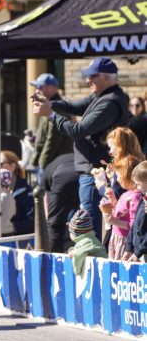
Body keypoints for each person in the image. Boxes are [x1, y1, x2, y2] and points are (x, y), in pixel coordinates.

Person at [33, 57, 130, 240]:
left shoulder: (109, 102)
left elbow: (78, 130)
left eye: (92, 76)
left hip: (96, 171)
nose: (88, 81)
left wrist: (51, 115)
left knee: (90, 223)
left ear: (107, 78)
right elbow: (74, 106)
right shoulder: (102, 96)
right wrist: (51, 103)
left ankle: (93, 260)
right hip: (92, 169)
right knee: (88, 219)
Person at [99, 127, 143, 260]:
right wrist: (111, 196)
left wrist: (101, 186)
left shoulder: (133, 188)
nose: (110, 152)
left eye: (113, 147)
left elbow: (133, 222)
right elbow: (121, 204)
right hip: (117, 234)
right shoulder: (124, 167)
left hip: (125, 238)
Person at [30, 73, 73, 173]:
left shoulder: (57, 108)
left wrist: (42, 164)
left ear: (51, 88)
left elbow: (53, 140)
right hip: (51, 163)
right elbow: (45, 137)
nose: (36, 90)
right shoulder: (49, 105)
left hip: (54, 165)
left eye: (39, 87)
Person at [42, 153, 79, 254]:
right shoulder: (68, 157)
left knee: (55, 225)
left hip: (61, 177)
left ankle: (54, 256)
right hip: (84, 172)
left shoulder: (46, 171)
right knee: (88, 220)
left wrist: (49, 220)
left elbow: (46, 197)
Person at [1, 151, 35, 237]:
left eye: (0, 164)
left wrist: (10, 227)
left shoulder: (26, 190)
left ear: (12, 166)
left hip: (19, 239)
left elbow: (32, 221)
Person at [68, 209, 106, 276]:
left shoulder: (86, 242)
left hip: (100, 273)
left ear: (75, 233)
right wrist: (73, 250)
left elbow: (78, 254)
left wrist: (77, 271)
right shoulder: (90, 240)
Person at [124, 161, 147, 262]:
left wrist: (138, 252)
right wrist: (129, 247)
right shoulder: (143, 197)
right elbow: (135, 224)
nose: (137, 188)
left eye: (138, 184)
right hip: (139, 251)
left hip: (143, 251)